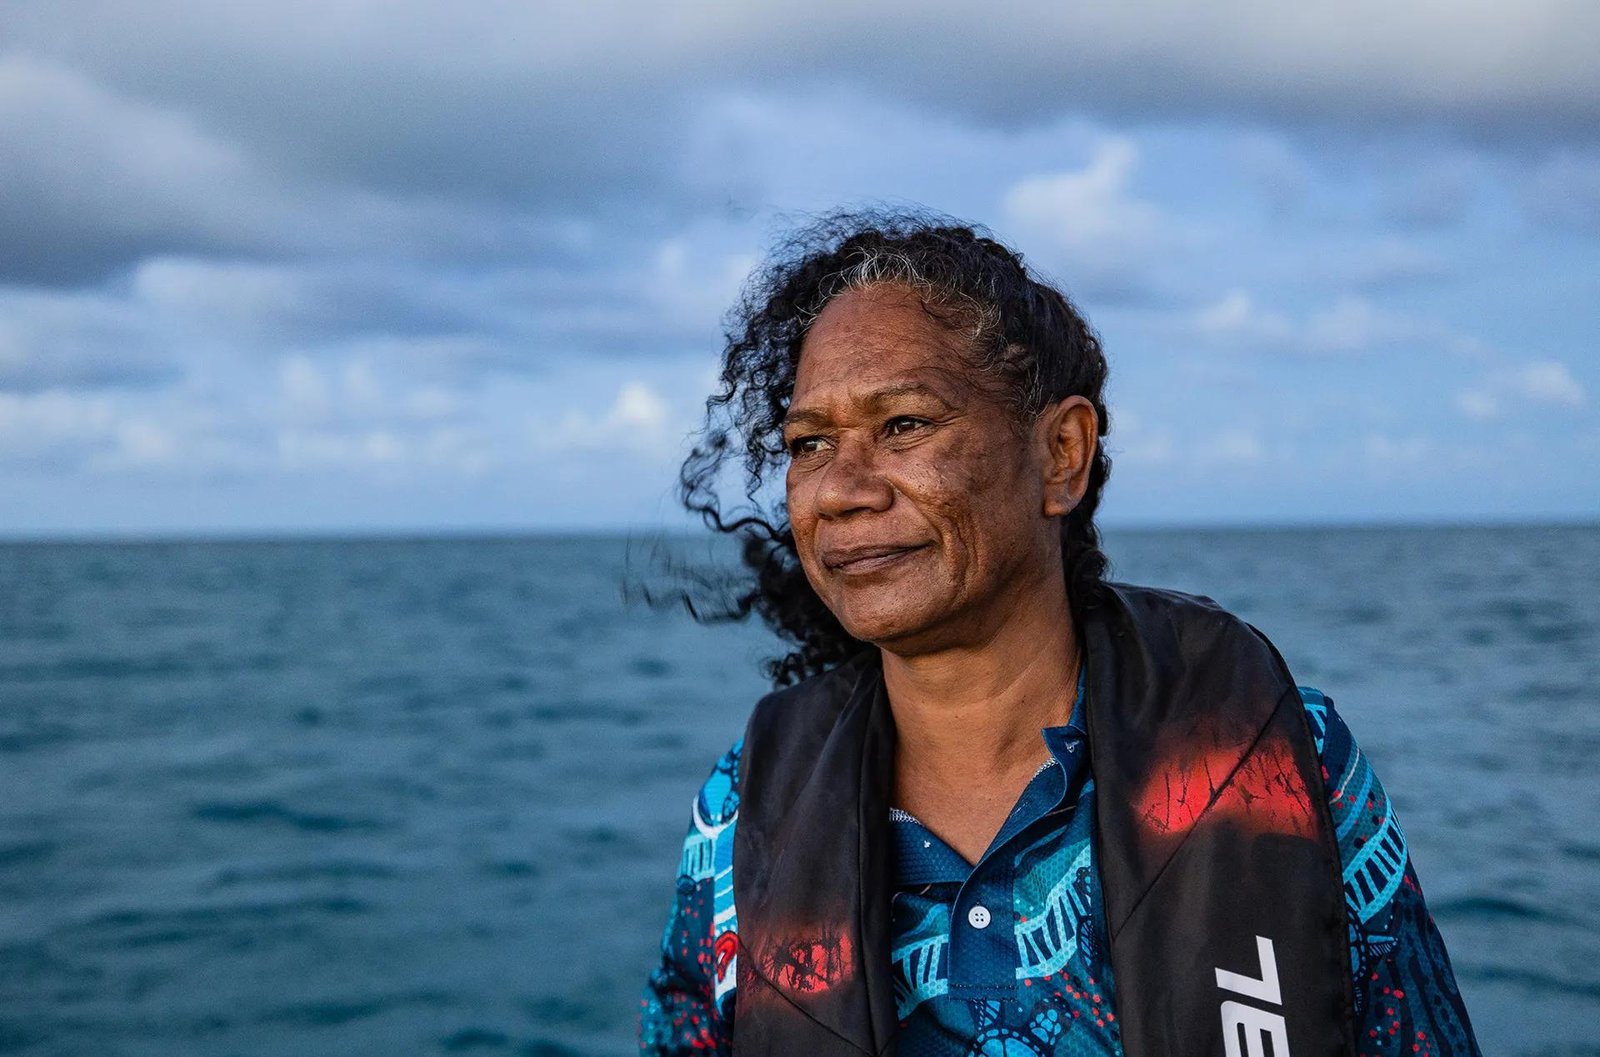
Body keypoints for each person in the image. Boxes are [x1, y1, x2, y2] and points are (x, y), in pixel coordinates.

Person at [638, 211, 1480, 1056]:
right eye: (810, 442)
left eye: (904, 425)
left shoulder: (1275, 750)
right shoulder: (745, 808)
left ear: (1062, 454)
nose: (841, 489)